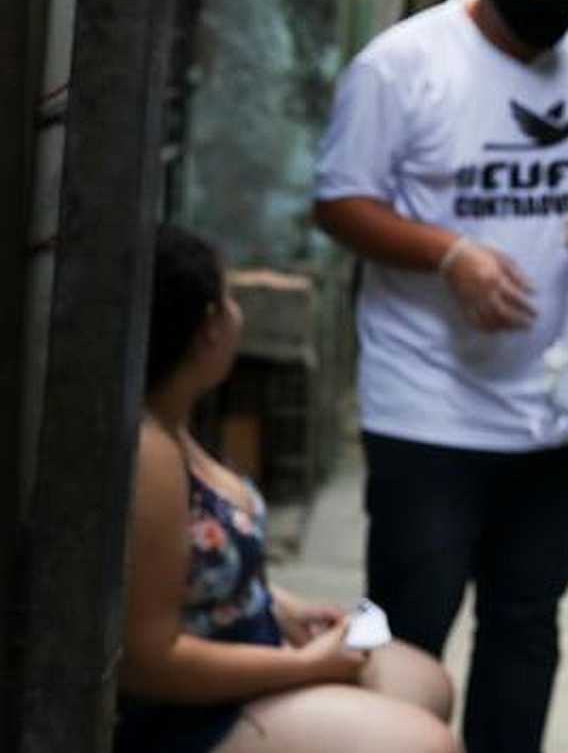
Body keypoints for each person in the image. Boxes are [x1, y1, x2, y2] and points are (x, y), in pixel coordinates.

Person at [312, 0, 568, 753]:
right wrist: (450, 252)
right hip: (429, 406)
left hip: (556, 410)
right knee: (408, 636)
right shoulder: (401, 66)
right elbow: (339, 201)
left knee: (526, 625)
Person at [116, 225, 459, 753]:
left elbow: (193, 574)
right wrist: (301, 667)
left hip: (248, 648)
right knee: (426, 743)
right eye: (230, 298)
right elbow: (150, 661)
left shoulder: (178, 421)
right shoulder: (152, 455)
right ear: (208, 327)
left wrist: (280, 605)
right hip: (187, 712)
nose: (237, 313)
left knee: (423, 681)